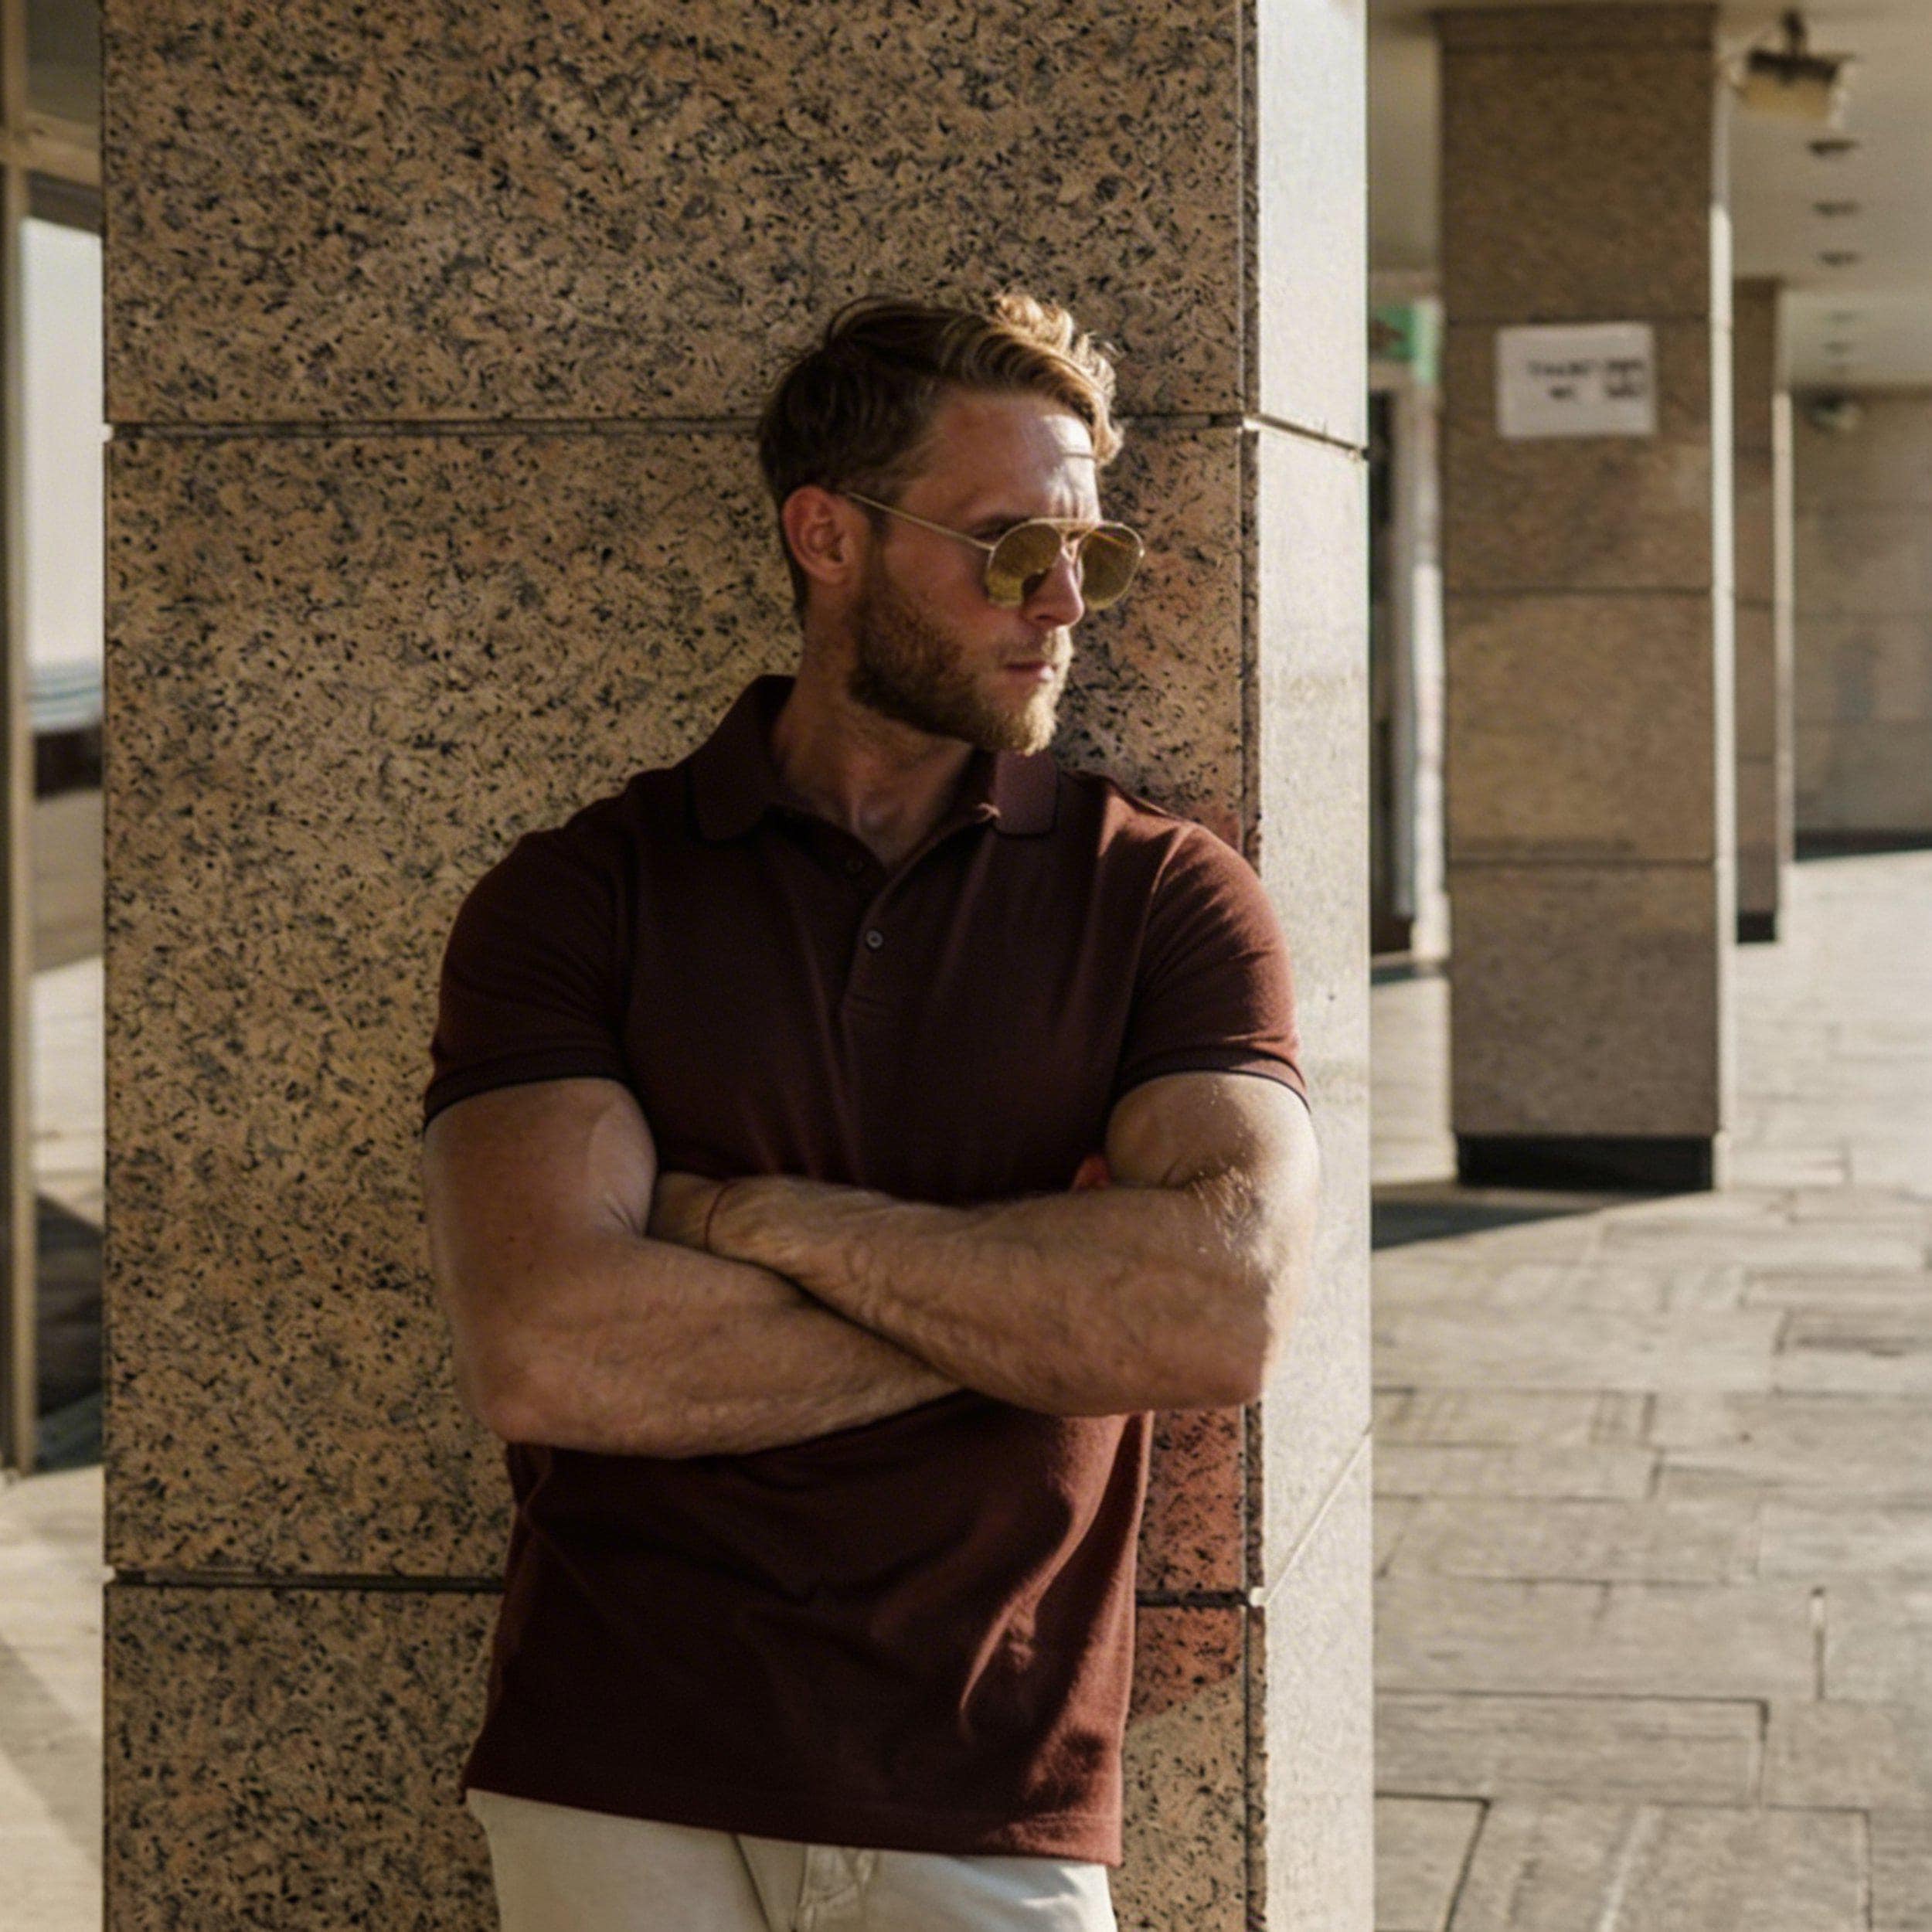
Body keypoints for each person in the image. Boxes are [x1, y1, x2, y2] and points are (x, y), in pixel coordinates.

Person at [419, 291, 1321, 1932]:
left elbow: (1218, 1312)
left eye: (1090, 554)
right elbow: (547, 1348)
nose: (1062, 604)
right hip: (616, 1765)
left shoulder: (1162, 897)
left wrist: (760, 1223)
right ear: (826, 536)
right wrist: (1047, 1309)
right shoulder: (579, 895)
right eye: (1010, 548)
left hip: (991, 1779)